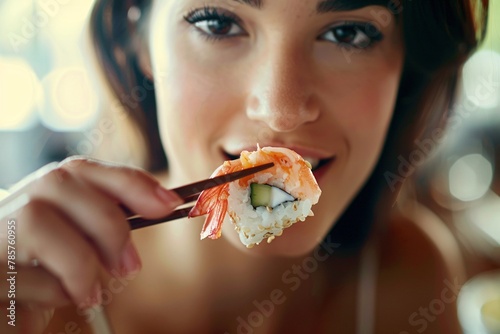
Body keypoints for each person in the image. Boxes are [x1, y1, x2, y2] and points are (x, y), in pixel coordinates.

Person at [0, 0, 489, 333]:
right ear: (138, 40)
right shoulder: (32, 291)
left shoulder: (412, 277)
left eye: (348, 32)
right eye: (218, 22)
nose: (281, 109)